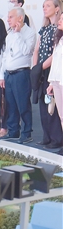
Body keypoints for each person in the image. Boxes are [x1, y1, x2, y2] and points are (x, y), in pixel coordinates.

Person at [0, 7, 36, 143]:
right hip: (9, 74)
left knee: (23, 104)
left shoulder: (30, 33)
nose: (8, 20)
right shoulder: (9, 34)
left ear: (20, 18)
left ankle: (27, 133)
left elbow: (26, 51)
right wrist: (1, 75)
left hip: (21, 73)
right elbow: (5, 56)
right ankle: (13, 131)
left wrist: (18, 34)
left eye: (11, 17)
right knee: (11, 105)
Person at [33, 0, 63, 149]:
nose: (44, 8)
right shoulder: (44, 28)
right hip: (42, 70)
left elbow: (55, 54)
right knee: (43, 104)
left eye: (48, 6)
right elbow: (36, 50)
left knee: (54, 105)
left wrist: (41, 67)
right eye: (43, 6)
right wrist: (35, 68)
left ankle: (57, 138)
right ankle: (47, 135)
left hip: (52, 69)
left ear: (57, 8)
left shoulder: (58, 28)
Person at [47, 13, 63, 155]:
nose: (59, 21)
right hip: (57, 80)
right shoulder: (59, 38)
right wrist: (51, 82)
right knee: (61, 115)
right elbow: (55, 63)